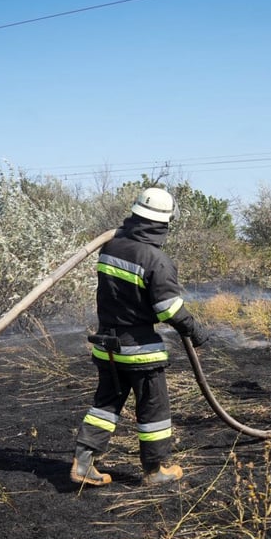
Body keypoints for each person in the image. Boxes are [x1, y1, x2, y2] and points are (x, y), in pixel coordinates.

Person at [70, 187, 208, 487]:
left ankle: (83, 462)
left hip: (107, 345)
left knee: (105, 405)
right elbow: (168, 309)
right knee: (153, 409)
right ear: (163, 223)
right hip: (139, 350)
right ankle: (156, 469)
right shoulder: (157, 259)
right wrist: (195, 330)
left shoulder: (111, 247)